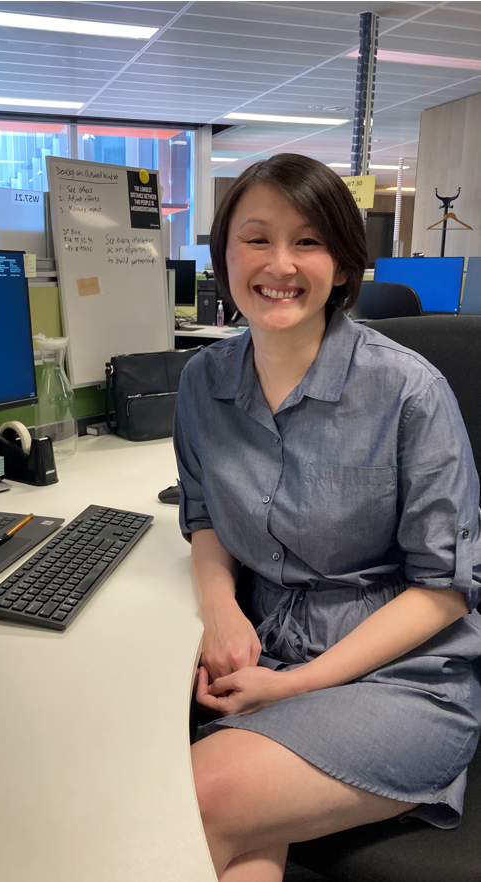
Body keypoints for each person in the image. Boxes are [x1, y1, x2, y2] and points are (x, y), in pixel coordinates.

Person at [173, 153, 481, 882]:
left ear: (343, 266)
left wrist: (293, 688)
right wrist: (220, 610)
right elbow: (202, 514)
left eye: (307, 242)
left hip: (398, 677)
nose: (279, 264)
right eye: (256, 238)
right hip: (265, 653)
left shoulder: (407, 391)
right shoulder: (201, 381)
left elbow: (443, 587)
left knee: (186, 802)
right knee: (237, 850)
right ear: (223, 254)